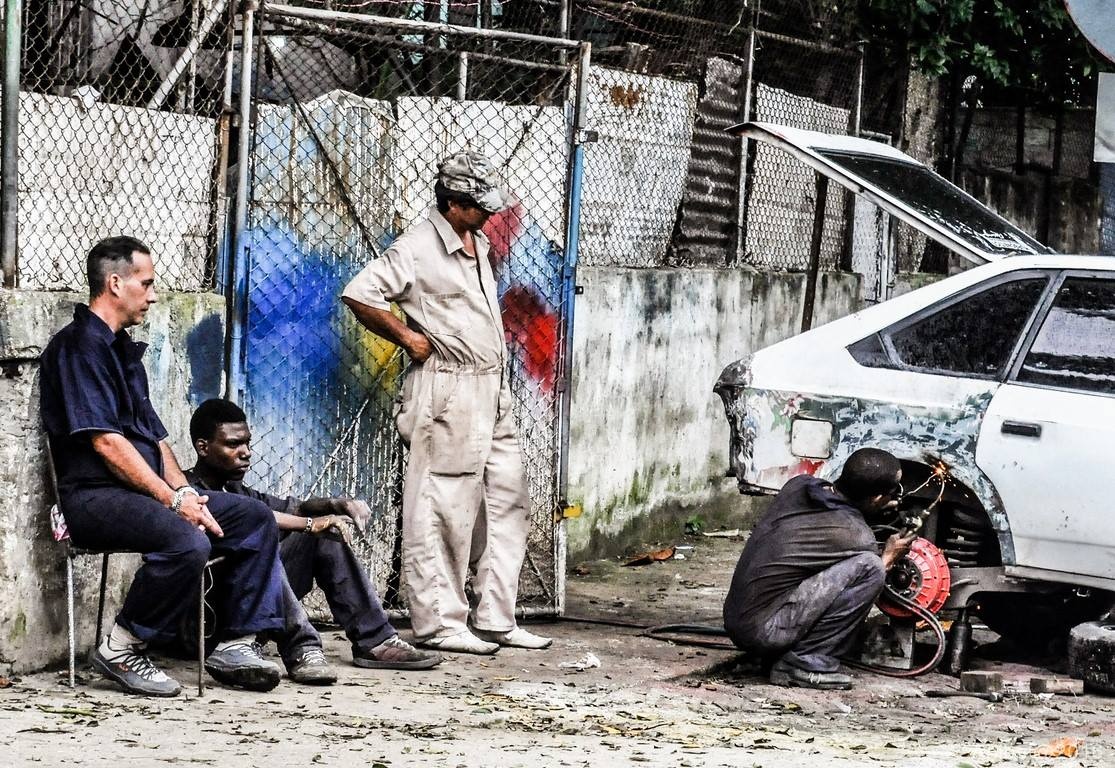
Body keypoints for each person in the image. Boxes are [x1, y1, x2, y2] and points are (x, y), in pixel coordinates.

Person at [40, 236, 287, 697]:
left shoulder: (121, 349)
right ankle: (122, 645)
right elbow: (107, 443)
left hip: (140, 492)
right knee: (186, 540)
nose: (154, 295)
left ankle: (234, 644)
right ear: (115, 283)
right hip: (92, 498)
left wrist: (186, 492)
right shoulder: (78, 349)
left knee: (252, 519)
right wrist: (172, 500)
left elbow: (156, 439)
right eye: (147, 284)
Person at [340, 150, 550, 655]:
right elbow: (359, 292)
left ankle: (497, 615)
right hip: (447, 388)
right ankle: (440, 623)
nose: (489, 216)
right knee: (442, 505)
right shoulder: (416, 246)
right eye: (479, 208)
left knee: (508, 501)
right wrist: (407, 339)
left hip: (491, 389)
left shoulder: (474, 241)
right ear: (453, 204)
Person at [184, 398, 442, 679]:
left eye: (247, 443)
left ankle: (376, 640)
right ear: (203, 448)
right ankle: (302, 648)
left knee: (324, 534)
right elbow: (262, 517)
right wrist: (309, 524)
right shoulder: (188, 492)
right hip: (203, 625)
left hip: (250, 610)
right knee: (268, 541)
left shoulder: (236, 489)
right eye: (233, 445)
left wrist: (334, 505)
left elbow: (295, 509)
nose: (246, 453)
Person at [723, 448, 916, 690]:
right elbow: (863, 564)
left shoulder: (798, 486)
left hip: (737, 618)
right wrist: (888, 558)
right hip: (763, 630)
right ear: (877, 499)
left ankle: (791, 651)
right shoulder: (856, 537)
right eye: (893, 492)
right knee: (871, 568)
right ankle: (804, 664)